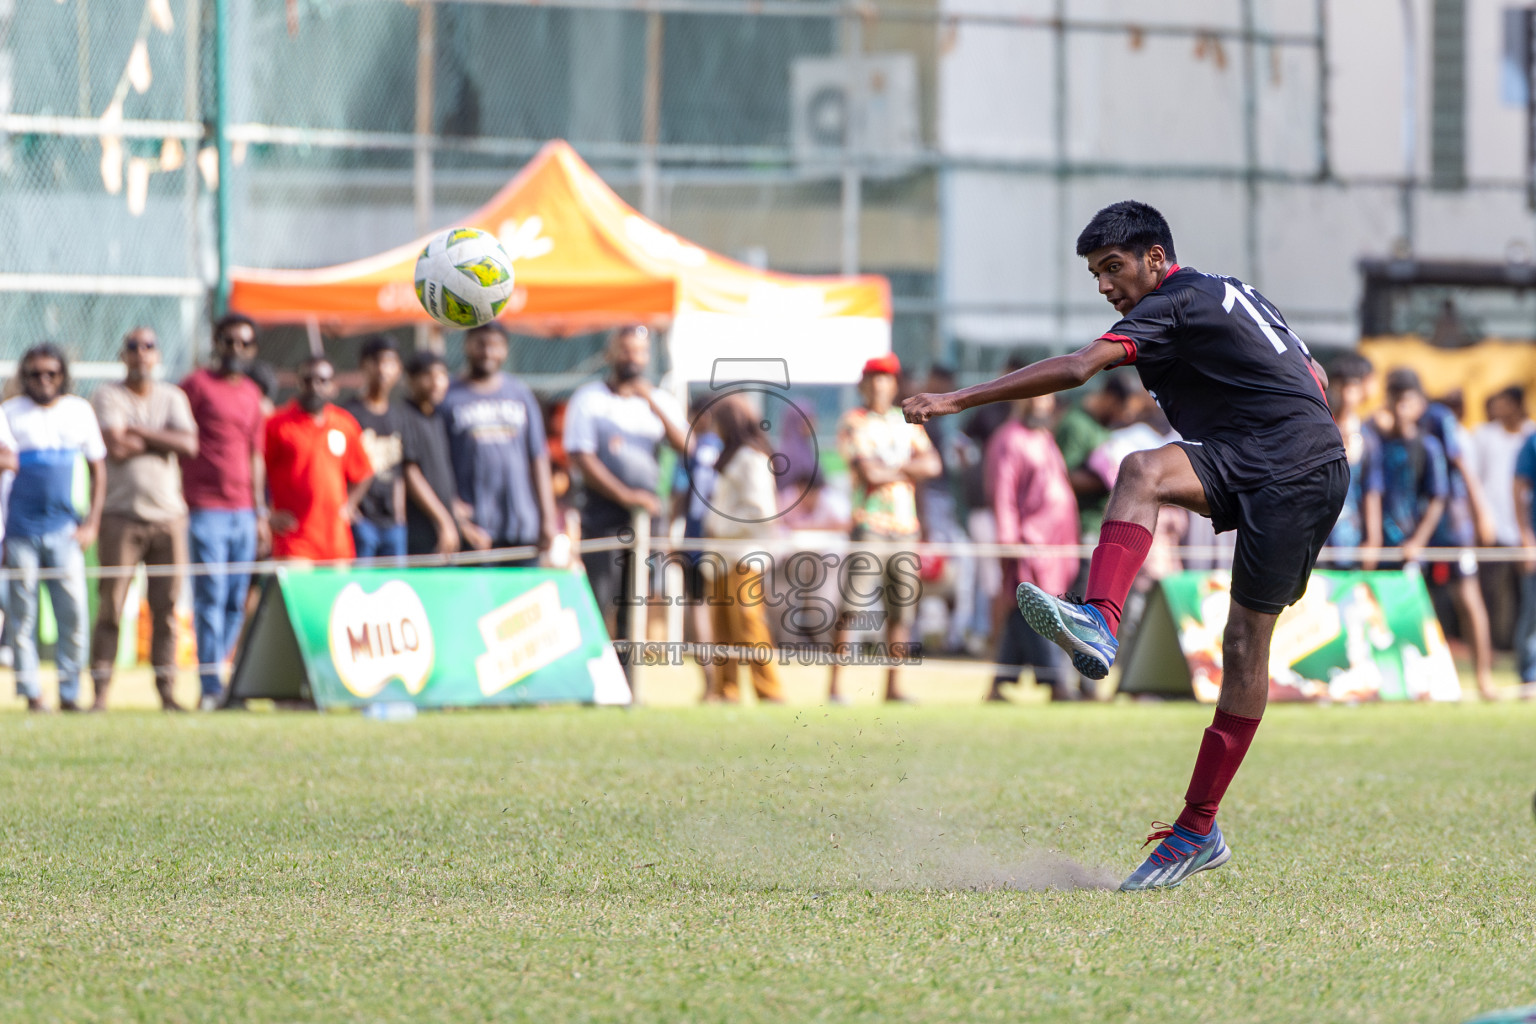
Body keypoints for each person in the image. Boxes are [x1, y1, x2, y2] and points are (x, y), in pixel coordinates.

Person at [901, 201, 1347, 890]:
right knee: (1141, 471)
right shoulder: (1227, 291)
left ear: (1156, 261)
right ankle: (1100, 622)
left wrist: (954, 401)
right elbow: (1312, 379)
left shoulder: (1174, 301)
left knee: (1242, 646)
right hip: (1265, 450)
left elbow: (1082, 368)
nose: (1106, 285)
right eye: (1095, 274)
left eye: (1114, 268)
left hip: (1295, 470)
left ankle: (1198, 827)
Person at [89, 328, 199, 711]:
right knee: (111, 607)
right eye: (133, 347)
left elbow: (189, 444)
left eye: (148, 346)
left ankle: (167, 691)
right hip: (121, 517)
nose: (141, 354)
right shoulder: (107, 395)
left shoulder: (173, 396)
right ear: (123, 355)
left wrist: (136, 429)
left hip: (169, 518)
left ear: (157, 355)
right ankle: (100, 692)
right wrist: (160, 437)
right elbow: (115, 447)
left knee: (167, 610)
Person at [828, 353, 941, 704]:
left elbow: (934, 464)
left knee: (902, 610)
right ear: (864, 385)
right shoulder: (853, 421)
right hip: (870, 525)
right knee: (852, 607)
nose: (880, 385)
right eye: (874, 379)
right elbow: (869, 474)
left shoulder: (905, 421)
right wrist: (908, 469)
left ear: (894, 384)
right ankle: (835, 687)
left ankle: (893, 687)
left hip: (905, 526)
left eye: (886, 378)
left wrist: (890, 469)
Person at [564, 326, 687, 643]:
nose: (632, 357)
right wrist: (625, 495)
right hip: (602, 516)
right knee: (600, 598)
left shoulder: (658, 400)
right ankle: (592, 676)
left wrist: (651, 401)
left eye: (639, 351)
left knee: (634, 602)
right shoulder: (589, 399)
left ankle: (627, 684)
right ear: (611, 354)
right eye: (625, 349)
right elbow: (581, 455)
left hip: (645, 521)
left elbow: (687, 445)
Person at [3, 344, 106, 712]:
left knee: (74, 612)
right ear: (24, 376)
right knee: (22, 615)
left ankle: (69, 692)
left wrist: (92, 522)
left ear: (63, 375)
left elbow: (99, 470)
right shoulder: (9, 413)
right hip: (19, 531)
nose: (43, 380)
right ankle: (31, 691)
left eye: (51, 373)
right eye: (34, 374)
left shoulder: (78, 411)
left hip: (64, 530)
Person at [180, 314, 268, 709]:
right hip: (206, 509)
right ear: (216, 343)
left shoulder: (252, 393)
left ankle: (226, 680)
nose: (236, 349)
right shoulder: (196, 386)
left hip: (244, 513)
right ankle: (210, 685)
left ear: (252, 349)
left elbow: (256, 455)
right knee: (210, 596)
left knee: (236, 600)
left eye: (244, 343)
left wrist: (261, 512)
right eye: (228, 341)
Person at [985, 394, 1080, 702]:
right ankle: (1055, 682)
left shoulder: (1045, 438)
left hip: (1055, 546)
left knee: (1024, 611)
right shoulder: (1009, 440)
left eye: (1047, 400)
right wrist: (1009, 540)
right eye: (1037, 400)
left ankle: (1000, 683)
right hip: (1028, 544)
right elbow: (1003, 493)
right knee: (1037, 609)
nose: (1043, 406)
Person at [440, 323, 557, 564]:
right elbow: (437, 462)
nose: (487, 352)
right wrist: (454, 512)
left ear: (505, 350)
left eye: (495, 346)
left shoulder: (520, 394)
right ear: (467, 345)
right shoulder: (448, 396)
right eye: (481, 344)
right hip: (475, 528)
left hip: (522, 523)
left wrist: (548, 518)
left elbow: (538, 457)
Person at [700, 395, 784, 703]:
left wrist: (720, 527)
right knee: (722, 626)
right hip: (723, 556)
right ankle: (727, 689)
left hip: (744, 555)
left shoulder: (751, 458)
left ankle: (769, 689)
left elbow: (761, 511)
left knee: (748, 623)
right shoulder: (731, 457)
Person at [1419, 388, 1498, 700]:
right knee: (1423, 603)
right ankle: (1427, 679)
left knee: (1468, 597)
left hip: (1453, 525)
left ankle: (1484, 677)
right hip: (1421, 524)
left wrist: (1481, 513)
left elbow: (1462, 464)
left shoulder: (1437, 418)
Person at [264, 356, 374, 561]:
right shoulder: (277, 424)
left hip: (336, 541)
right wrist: (265, 513)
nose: (315, 387)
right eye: (308, 380)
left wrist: (350, 505)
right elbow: (255, 470)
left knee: (339, 593)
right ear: (299, 383)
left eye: (322, 381)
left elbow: (364, 471)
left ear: (333, 386)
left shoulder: (344, 423)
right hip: (295, 540)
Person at [1470, 386, 1535, 646]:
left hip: (1523, 525)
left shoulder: (1530, 433)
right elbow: (1477, 477)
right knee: (1493, 590)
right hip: (1495, 523)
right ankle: (1497, 645)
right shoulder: (1485, 435)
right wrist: (1482, 517)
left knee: (1523, 593)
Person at [1366, 370, 1448, 572]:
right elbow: (1371, 491)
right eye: (1395, 400)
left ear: (1421, 405)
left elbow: (1437, 499)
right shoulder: (1376, 442)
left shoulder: (1428, 446)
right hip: (1378, 550)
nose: (1401, 408)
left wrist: (1417, 541)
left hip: (1409, 551)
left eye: (1407, 401)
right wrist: (1372, 538)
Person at [343, 336, 407, 561]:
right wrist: (350, 507)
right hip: (361, 521)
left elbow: (401, 471)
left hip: (393, 524)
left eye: (390, 362)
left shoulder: (400, 416)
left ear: (398, 369)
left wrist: (400, 517)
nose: (383, 369)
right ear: (364, 365)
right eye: (376, 361)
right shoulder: (348, 415)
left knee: (394, 589)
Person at [398, 351, 464, 558]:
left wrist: (460, 522)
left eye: (442, 375)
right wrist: (444, 521)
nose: (437, 382)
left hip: (444, 530)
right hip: (420, 531)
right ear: (410, 380)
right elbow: (411, 473)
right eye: (428, 376)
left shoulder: (438, 417)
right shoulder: (403, 415)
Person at [1323, 353, 1382, 569]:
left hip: (1348, 538)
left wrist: (1373, 540)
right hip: (1315, 539)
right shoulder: (1319, 431)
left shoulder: (1368, 438)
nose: (1347, 394)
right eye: (1342, 386)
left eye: (1353, 386)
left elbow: (1371, 491)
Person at [1513, 430, 1536, 699]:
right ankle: (1529, 675)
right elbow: (1519, 486)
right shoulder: (1532, 441)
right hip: (1535, 539)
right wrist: (1526, 537)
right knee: (1532, 612)